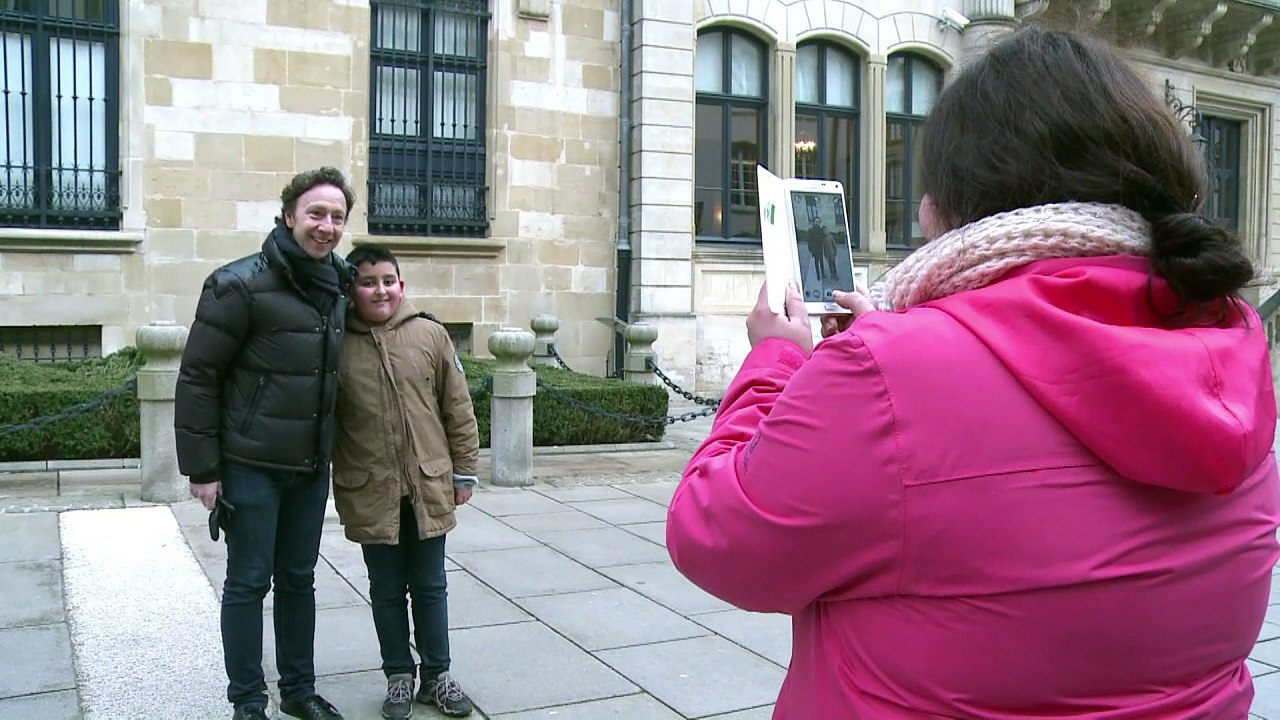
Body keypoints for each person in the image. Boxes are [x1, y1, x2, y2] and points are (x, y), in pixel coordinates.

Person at [667, 26, 1279, 719]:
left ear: (950, 209)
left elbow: (717, 537)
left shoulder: (888, 373)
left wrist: (777, 362)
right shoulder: (1228, 350)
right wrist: (888, 356)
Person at [175, 167, 355, 720]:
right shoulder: (238, 284)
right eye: (315, 214)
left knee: (299, 580)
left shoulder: (340, 284)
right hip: (250, 464)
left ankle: (299, 692)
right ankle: (249, 700)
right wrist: (204, 469)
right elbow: (198, 377)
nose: (325, 226)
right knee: (249, 581)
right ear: (289, 216)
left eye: (336, 217)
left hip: (308, 465)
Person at [331, 243, 480, 719]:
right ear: (352, 289)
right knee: (386, 588)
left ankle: (437, 674)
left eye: (388, 281)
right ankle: (399, 673)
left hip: (427, 485)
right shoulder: (336, 342)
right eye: (368, 282)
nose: (380, 290)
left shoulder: (431, 335)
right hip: (370, 488)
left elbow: (457, 408)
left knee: (431, 585)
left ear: (402, 285)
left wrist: (464, 470)